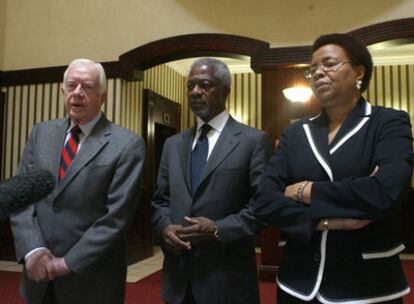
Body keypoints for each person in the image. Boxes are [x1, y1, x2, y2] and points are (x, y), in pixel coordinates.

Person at [253, 33, 413, 304]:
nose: (318, 73)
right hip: (298, 281)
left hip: (367, 285)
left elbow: (385, 192)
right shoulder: (296, 132)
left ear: (358, 72)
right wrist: (321, 222)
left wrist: (303, 190)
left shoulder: (388, 123)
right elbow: (264, 201)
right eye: (313, 69)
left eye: (329, 64)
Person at [11, 59, 146, 304]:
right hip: (37, 277)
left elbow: (115, 218)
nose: (78, 93)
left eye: (87, 86)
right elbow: (22, 198)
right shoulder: (41, 133)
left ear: (102, 97)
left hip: (91, 282)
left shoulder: (127, 145)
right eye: (71, 85)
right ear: (63, 91)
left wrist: (66, 263)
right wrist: (33, 250)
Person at [152, 57, 272, 304]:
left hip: (227, 282)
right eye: (191, 85)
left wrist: (219, 229)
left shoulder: (253, 141)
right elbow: (160, 201)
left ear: (225, 91)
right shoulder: (172, 144)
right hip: (178, 282)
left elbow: (264, 206)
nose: (195, 91)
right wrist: (164, 227)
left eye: (205, 85)